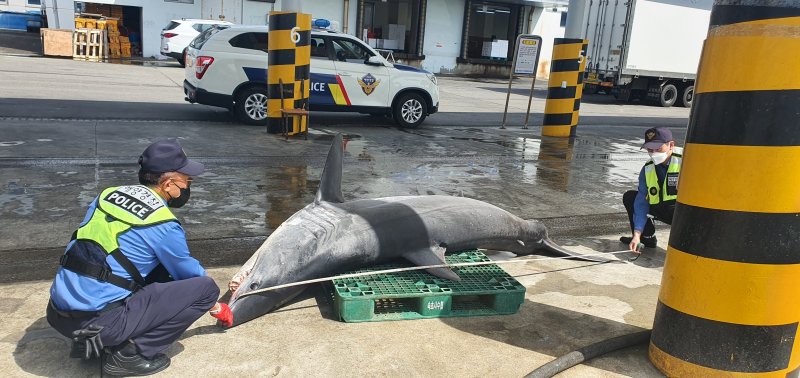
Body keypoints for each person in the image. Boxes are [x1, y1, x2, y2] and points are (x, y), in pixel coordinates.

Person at [46, 139, 233, 376]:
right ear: (168, 183)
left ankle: (92, 343)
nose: (188, 186)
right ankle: (130, 354)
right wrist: (216, 306)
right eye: (187, 180)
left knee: (140, 265)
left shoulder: (107, 195)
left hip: (57, 313)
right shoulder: (163, 223)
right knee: (204, 289)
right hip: (96, 323)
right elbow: (189, 275)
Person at [620, 127, 682, 252]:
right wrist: (637, 234)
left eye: (658, 149)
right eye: (650, 149)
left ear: (671, 145)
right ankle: (645, 238)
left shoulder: (687, 160)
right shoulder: (648, 169)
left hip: (683, 212)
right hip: (662, 209)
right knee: (631, 197)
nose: (654, 153)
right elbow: (641, 202)